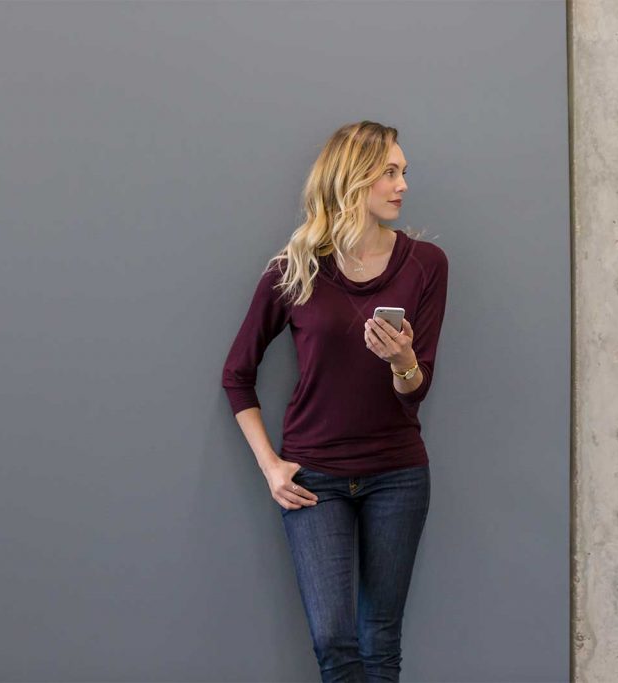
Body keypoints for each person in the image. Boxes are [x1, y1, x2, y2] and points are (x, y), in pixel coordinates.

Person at [220, 120, 449, 682]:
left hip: (397, 475)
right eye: (389, 172)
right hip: (313, 478)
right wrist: (270, 466)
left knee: (380, 641)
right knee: (333, 640)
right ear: (353, 179)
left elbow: (415, 393)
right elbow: (236, 376)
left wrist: (403, 361)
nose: (403, 185)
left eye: (404, 172)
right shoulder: (295, 268)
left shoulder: (426, 264)